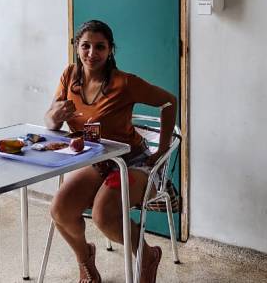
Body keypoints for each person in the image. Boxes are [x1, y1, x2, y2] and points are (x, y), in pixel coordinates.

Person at [45, 20, 177, 283]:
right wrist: (54, 116)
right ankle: (86, 260)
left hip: (132, 162)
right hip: (98, 161)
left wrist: (161, 149)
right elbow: (50, 121)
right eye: (85, 46)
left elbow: (169, 102)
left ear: (110, 50)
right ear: (76, 47)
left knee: (103, 216)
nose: (91, 53)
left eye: (100, 47)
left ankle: (147, 254)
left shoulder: (124, 82)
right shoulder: (69, 76)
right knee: (60, 209)